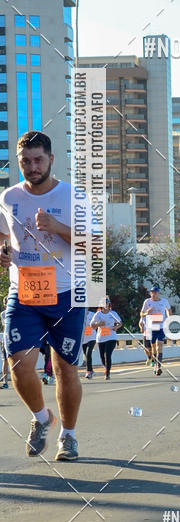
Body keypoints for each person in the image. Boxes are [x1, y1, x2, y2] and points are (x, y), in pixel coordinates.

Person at [0, 131, 86, 461]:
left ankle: (68, 436)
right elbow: (2, 234)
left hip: (66, 293)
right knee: (19, 364)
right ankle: (41, 418)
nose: (32, 167)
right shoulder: (8, 197)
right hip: (23, 292)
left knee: (65, 369)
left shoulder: (72, 196)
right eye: (25, 162)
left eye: (38, 160)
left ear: (51, 159)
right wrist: (3, 251)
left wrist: (57, 226)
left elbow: (94, 245)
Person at [139, 285, 171, 375]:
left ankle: (158, 366)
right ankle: (153, 362)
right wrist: (146, 313)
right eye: (152, 292)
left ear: (159, 293)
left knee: (159, 346)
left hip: (161, 327)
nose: (153, 294)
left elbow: (169, 310)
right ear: (150, 293)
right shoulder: (147, 302)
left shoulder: (164, 301)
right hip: (150, 327)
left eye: (155, 292)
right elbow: (141, 314)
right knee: (152, 348)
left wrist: (169, 317)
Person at [91, 297, 122, 380]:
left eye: (107, 303)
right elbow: (92, 326)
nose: (106, 305)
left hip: (111, 337)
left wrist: (117, 327)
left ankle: (107, 372)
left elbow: (120, 323)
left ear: (109, 304)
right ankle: (106, 368)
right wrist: (98, 324)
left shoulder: (113, 313)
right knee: (102, 356)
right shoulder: (98, 314)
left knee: (107, 354)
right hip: (101, 338)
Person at [82, 306, 97, 379]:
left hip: (92, 337)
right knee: (86, 355)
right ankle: (91, 370)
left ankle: (88, 371)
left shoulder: (93, 315)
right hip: (83, 338)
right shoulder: (79, 315)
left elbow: (96, 325)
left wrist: (94, 325)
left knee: (88, 353)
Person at [1, 295, 9, 388]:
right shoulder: (3, 314)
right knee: (5, 361)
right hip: (6, 339)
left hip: (16, 338)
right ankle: (5, 381)